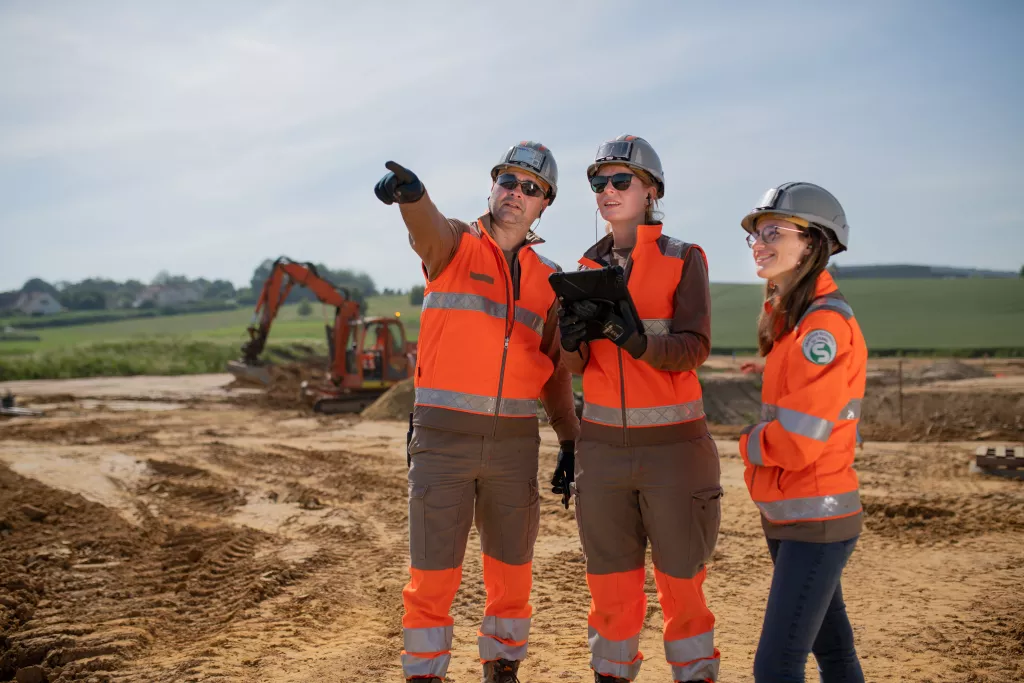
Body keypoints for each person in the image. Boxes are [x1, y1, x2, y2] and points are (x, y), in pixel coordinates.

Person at [374, 142, 581, 683]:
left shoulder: (549, 277)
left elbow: (555, 368)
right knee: (433, 573)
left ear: (545, 204)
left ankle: (502, 667)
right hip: (443, 440)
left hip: (515, 444)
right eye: (509, 182)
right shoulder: (456, 244)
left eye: (531, 188)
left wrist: (570, 438)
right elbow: (427, 230)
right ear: (492, 187)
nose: (517, 194)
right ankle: (424, 674)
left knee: (512, 572)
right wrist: (412, 198)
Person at [557, 135, 721, 683]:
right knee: (609, 585)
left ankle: (694, 674)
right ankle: (611, 674)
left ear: (651, 191)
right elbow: (579, 368)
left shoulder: (684, 258)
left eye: (620, 180)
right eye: (598, 182)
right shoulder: (585, 265)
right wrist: (571, 340)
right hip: (602, 453)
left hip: (675, 452)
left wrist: (639, 343)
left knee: (681, 585)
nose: (607, 190)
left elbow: (695, 347)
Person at [738, 182, 867, 682]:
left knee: (775, 668)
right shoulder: (793, 324)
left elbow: (798, 441)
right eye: (755, 233)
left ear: (812, 244)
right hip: (795, 517)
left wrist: (749, 442)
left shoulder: (821, 329)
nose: (760, 242)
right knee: (833, 654)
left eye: (774, 231)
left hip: (817, 519)